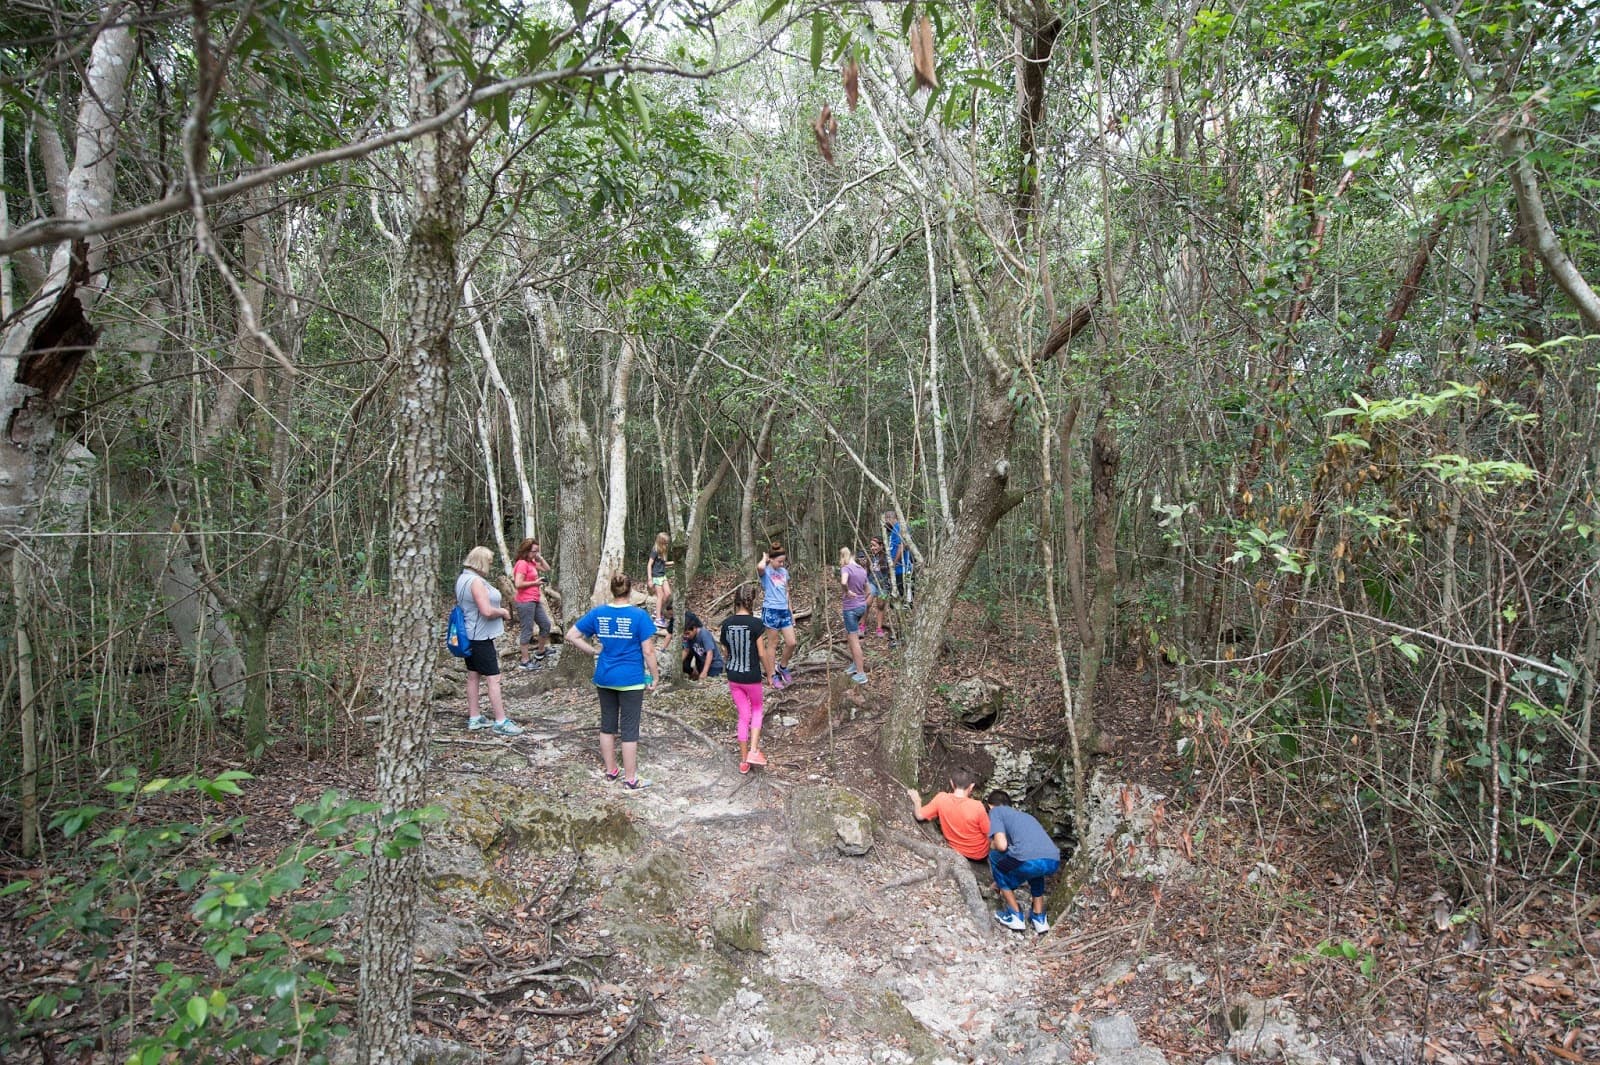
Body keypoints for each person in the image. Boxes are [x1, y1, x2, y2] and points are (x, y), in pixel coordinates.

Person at [562, 573, 658, 791]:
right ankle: (631, 779)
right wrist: (655, 675)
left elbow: (571, 635)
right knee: (629, 729)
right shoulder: (639, 615)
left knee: (607, 726)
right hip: (631, 679)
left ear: (612, 590)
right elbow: (648, 650)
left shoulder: (599, 613)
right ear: (630, 591)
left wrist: (593, 650)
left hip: (605, 676)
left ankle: (611, 770)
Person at [456, 546, 524, 736]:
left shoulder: (463, 578)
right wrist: (502, 612)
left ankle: (474, 717)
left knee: (473, 675)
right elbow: (485, 611)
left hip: (470, 634)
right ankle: (501, 721)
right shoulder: (475, 582)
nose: (491, 565)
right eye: (490, 562)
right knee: (493, 678)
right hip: (480, 637)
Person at [985, 790, 1061, 934]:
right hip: (1053, 860)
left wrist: (991, 844)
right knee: (1035, 868)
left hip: (1028, 860)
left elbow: (1001, 846)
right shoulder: (1027, 817)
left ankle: (1015, 914)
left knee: (995, 855)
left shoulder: (996, 812)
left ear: (990, 806)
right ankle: (1039, 917)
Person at [720, 584, 771, 773]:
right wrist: (770, 674)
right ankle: (754, 750)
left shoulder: (726, 623)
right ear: (752, 601)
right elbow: (762, 653)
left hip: (734, 676)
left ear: (736, 601)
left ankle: (743, 761)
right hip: (752, 676)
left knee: (743, 716)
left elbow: (726, 651)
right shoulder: (756, 624)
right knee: (757, 709)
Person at [905, 768, 989, 862]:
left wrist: (917, 800)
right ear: (972, 786)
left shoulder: (941, 798)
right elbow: (989, 832)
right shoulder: (977, 806)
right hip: (979, 855)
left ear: (952, 783)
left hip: (955, 851)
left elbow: (919, 815)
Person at [758, 544, 798, 689]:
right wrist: (765, 558)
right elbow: (760, 567)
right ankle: (771, 675)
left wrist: (791, 612)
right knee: (773, 644)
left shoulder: (784, 572)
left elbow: (787, 593)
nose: (781, 564)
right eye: (779, 561)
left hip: (784, 611)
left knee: (791, 642)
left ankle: (782, 667)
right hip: (771, 610)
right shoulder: (766, 572)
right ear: (772, 559)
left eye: (783, 561)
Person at [512, 538, 553, 670]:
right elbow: (518, 584)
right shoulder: (522, 564)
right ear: (526, 551)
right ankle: (524, 661)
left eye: (537, 551)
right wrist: (535, 583)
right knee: (527, 630)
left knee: (546, 624)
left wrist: (539, 557)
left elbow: (547, 569)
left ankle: (540, 652)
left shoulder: (531, 562)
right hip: (525, 601)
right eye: (534, 551)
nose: (536, 553)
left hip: (534, 600)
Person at [838, 547, 869, 685]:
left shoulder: (846, 568)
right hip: (861, 607)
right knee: (850, 636)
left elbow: (843, 582)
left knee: (854, 639)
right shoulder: (862, 570)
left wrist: (848, 591)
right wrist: (861, 599)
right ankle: (855, 664)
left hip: (850, 608)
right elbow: (868, 589)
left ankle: (861, 673)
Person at [865, 535, 895, 643]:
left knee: (881, 605)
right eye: (871, 546)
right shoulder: (871, 557)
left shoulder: (887, 557)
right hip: (871, 582)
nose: (872, 548)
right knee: (867, 603)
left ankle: (879, 628)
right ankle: (861, 625)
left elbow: (890, 571)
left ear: (881, 546)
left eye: (874, 545)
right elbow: (867, 572)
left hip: (883, 585)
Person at [681, 611, 725, 680]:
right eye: (684, 634)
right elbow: (686, 650)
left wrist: (704, 672)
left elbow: (709, 653)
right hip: (701, 663)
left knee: (709, 680)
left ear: (694, 628)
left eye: (688, 633)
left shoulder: (704, 634)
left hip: (714, 665)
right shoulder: (687, 638)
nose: (686, 636)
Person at [885, 510, 914, 607]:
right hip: (897, 568)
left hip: (904, 567)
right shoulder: (893, 530)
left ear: (890, 518)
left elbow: (901, 546)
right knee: (898, 591)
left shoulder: (900, 528)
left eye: (886, 519)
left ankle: (907, 607)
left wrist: (894, 563)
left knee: (905, 588)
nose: (886, 522)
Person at [648, 532, 674, 625]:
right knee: (660, 596)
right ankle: (658, 619)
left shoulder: (663, 551)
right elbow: (649, 564)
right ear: (660, 542)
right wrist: (650, 579)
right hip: (656, 575)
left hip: (663, 575)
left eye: (667, 543)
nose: (666, 544)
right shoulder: (655, 551)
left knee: (667, 594)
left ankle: (657, 611)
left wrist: (674, 563)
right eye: (665, 543)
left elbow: (663, 564)